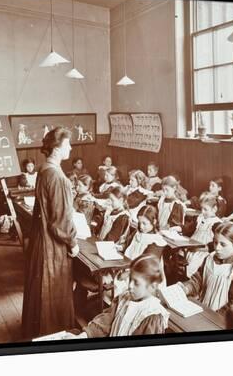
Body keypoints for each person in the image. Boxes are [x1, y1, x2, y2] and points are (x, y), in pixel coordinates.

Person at [22, 127, 80, 339]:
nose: (71, 148)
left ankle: (36, 333)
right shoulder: (58, 178)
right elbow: (60, 223)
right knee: (52, 290)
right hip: (52, 245)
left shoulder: (44, 169)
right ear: (56, 148)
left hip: (40, 240)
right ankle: (53, 337)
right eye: (67, 145)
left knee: (39, 291)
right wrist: (73, 243)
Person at [66, 255, 169, 338]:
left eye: (136, 283)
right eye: (130, 279)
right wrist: (84, 335)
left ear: (152, 286)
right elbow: (105, 321)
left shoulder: (152, 316)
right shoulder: (124, 297)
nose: (130, 285)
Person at [178, 222, 233, 313]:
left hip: (224, 317)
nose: (217, 248)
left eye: (223, 244)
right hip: (206, 309)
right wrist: (185, 288)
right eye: (215, 242)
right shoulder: (209, 259)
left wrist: (215, 316)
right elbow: (197, 281)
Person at [184, 194, 223, 277]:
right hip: (192, 247)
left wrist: (201, 248)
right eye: (201, 208)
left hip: (204, 251)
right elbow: (189, 229)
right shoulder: (199, 218)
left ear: (214, 209)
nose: (202, 211)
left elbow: (214, 244)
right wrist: (180, 228)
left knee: (194, 265)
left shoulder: (216, 223)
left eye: (205, 209)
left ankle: (192, 280)